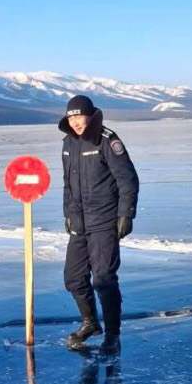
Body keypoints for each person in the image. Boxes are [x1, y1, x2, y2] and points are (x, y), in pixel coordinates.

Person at [59, 95, 139, 353]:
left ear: (90, 116)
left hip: (105, 221)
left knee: (103, 279)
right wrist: (68, 214)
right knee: (73, 278)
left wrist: (125, 214)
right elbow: (68, 185)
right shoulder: (68, 143)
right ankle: (90, 323)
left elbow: (127, 179)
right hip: (80, 223)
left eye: (79, 117)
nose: (75, 122)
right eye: (71, 117)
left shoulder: (106, 140)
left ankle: (112, 335)